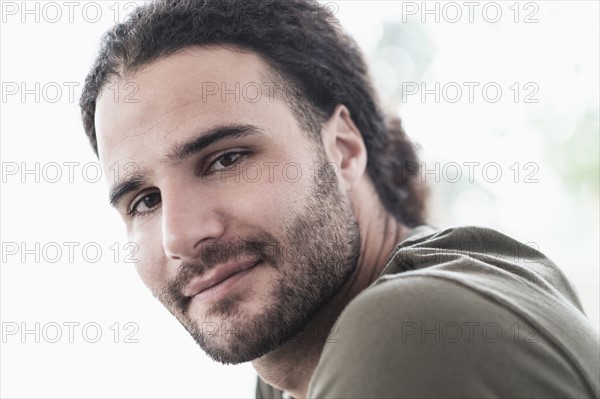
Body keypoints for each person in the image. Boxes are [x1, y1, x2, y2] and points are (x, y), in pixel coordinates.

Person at [79, 0, 599, 397]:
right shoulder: (294, 367)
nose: (181, 236)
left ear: (344, 149)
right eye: (144, 201)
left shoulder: (405, 332)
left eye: (226, 159)